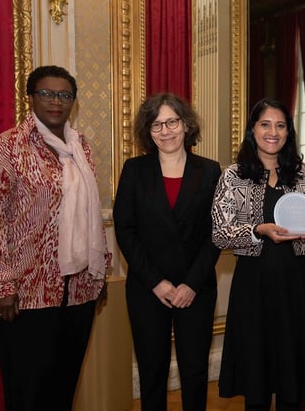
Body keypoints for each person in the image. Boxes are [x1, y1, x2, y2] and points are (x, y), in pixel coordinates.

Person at [0, 65, 110, 411]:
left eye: (64, 95)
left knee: (63, 386)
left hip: (78, 290)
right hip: (26, 295)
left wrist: (100, 270)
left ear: (73, 101)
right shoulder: (8, 148)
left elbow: (91, 215)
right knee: (28, 391)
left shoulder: (82, 148)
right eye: (46, 93)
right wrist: (1, 286)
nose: (56, 101)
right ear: (30, 97)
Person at [211, 98, 305, 410]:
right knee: (256, 377)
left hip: (299, 285)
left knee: (292, 381)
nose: (273, 132)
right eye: (265, 124)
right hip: (254, 287)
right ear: (253, 130)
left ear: (288, 132)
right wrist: (258, 230)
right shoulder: (233, 175)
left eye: (280, 125)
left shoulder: (304, 174)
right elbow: (218, 233)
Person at [113, 93, 221, 410]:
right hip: (148, 289)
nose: (166, 130)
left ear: (186, 125)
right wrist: (156, 282)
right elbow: (125, 230)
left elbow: (215, 233)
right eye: (157, 124)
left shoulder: (211, 171)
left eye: (172, 121)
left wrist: (191, 284)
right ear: (148, 131)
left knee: (194, 371)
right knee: (152, 372)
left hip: (196, 288)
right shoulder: (134, 170)